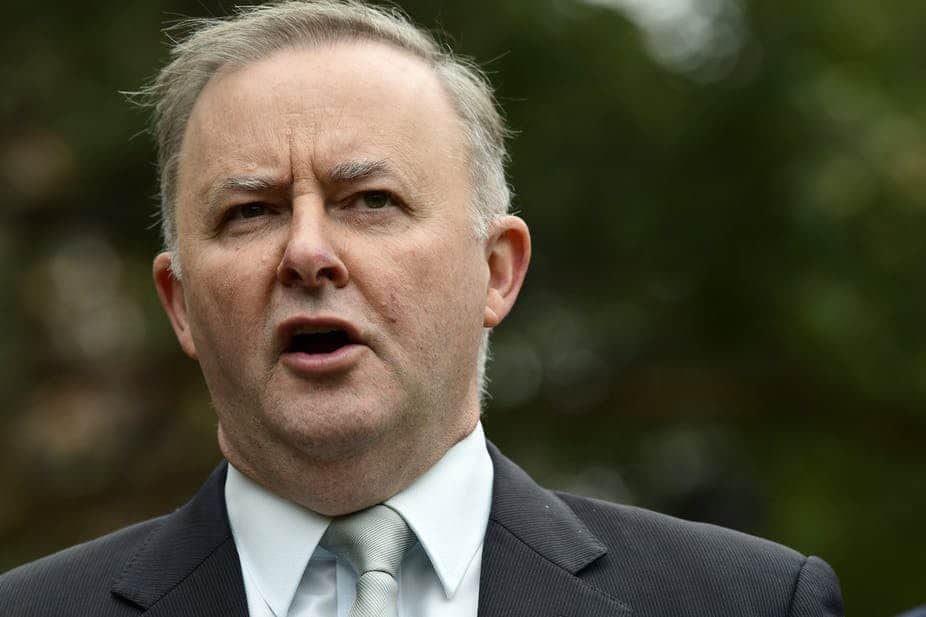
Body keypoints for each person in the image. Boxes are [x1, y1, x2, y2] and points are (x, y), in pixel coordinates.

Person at [0, 2, 844, 616]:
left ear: (496, 271)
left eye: (370, 200)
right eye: (250, 211)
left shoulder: (746, 599)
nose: (306, 251)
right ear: (180, 304)